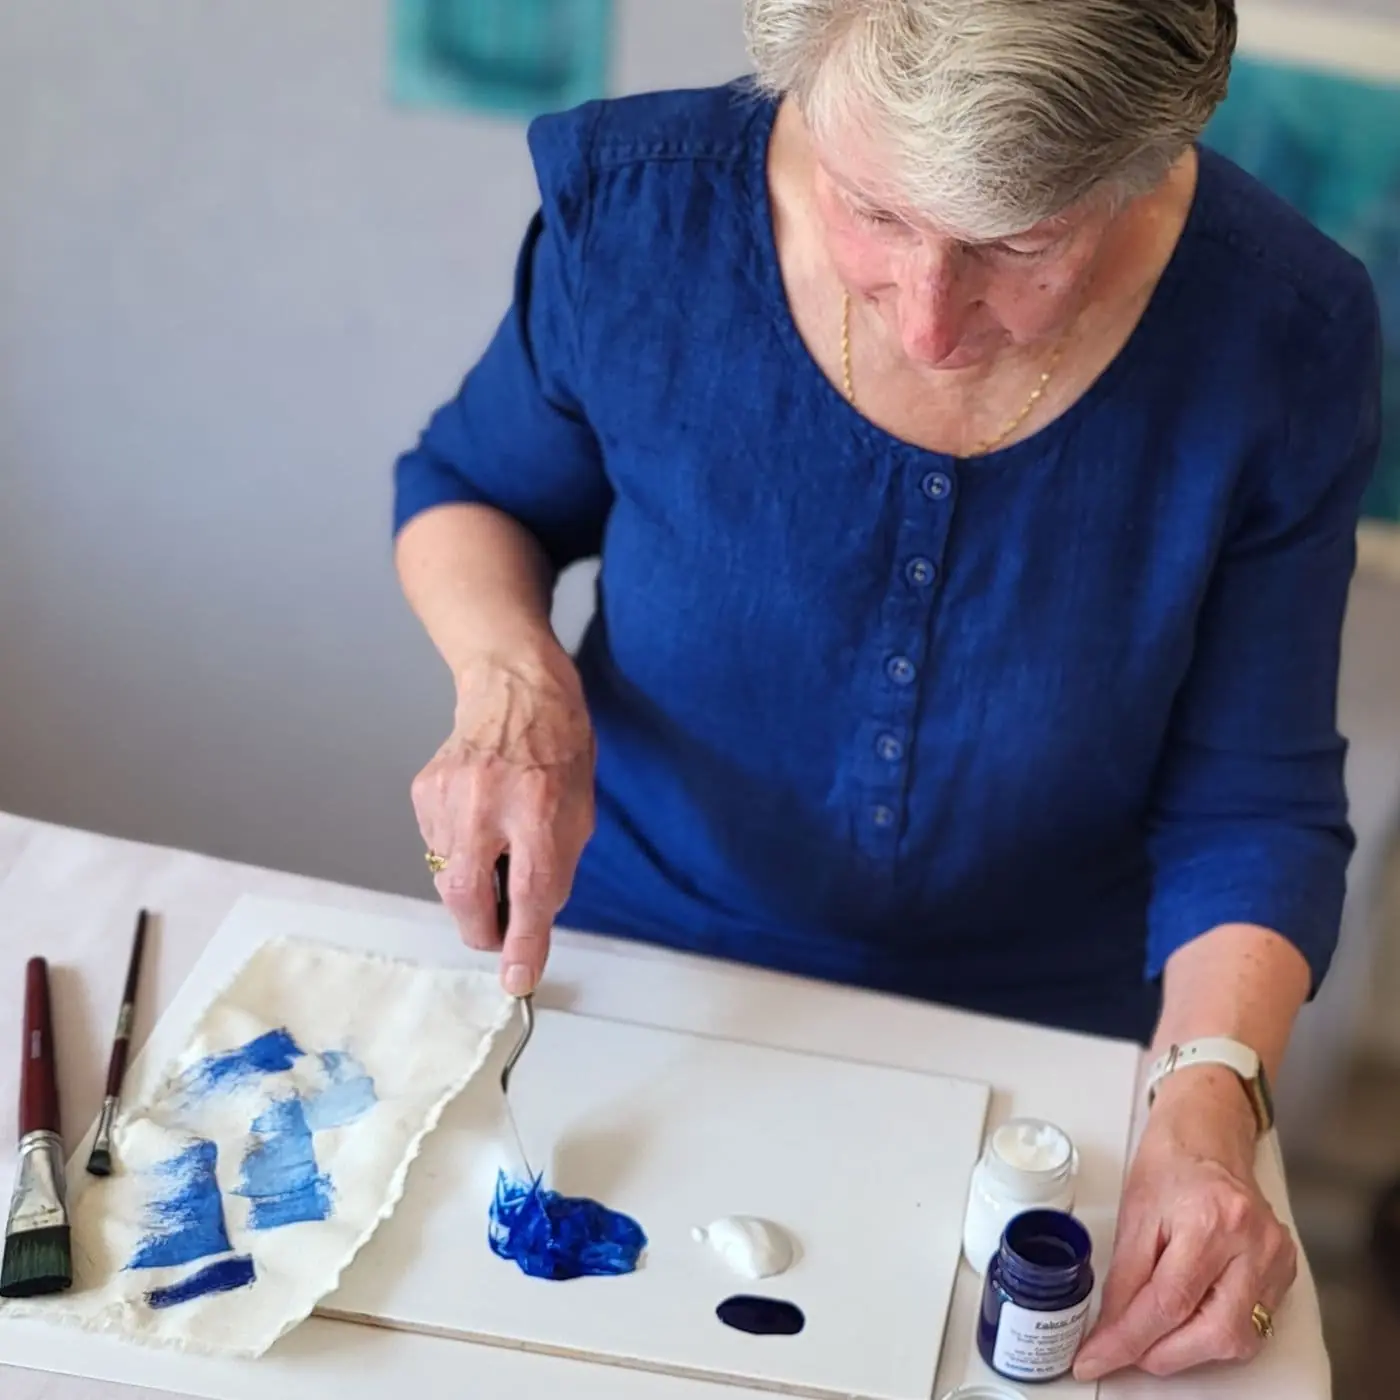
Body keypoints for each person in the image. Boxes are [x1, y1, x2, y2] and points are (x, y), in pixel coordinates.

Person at [391, 0, 1383, 1382]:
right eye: (871, 211)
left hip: (1045, 1038)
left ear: (1150, 160)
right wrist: (509, 681)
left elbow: (1254, 798)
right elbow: (471, 492)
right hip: (639, 960)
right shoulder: (642, 219)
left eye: (1022, 246)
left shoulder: (1284, 333)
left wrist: (1212, 1096)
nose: (927, 320)